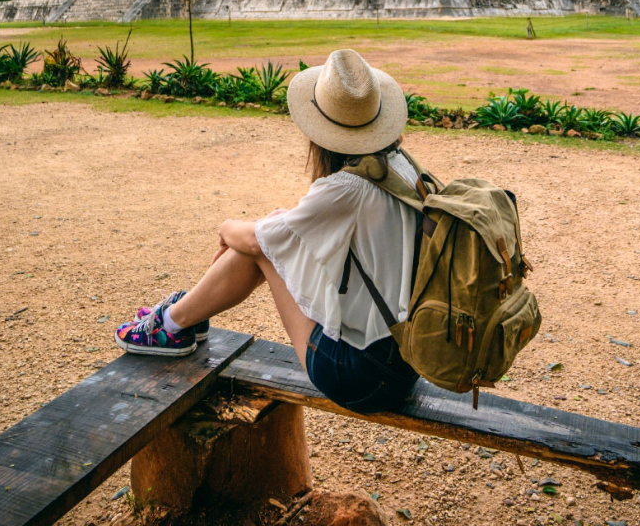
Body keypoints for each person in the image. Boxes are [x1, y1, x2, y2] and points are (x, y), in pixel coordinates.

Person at [115, 48, 421, 415]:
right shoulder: (401, 168)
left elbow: (257, 241)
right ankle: (182, 317)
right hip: (405, 361)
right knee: (272, 228)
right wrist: (263, 229)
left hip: (361, 377)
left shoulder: (347, 188)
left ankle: (171, 324)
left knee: (258, 244)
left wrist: (226, 228)